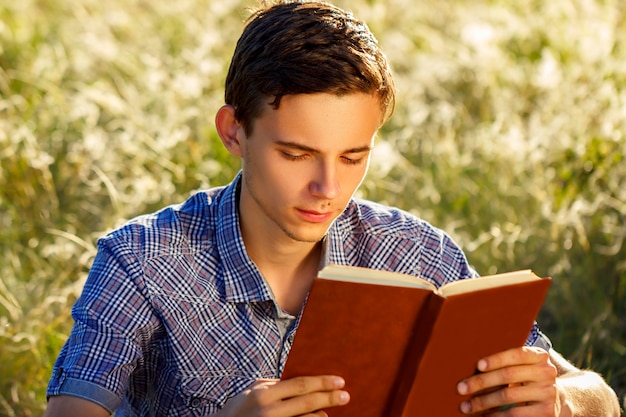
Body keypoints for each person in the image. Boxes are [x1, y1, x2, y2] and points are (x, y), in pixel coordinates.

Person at [44, 1, 620, 416]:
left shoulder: (418, 254)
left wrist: (562, 403)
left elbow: (600, 395)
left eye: (352, 157)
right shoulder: (140, 260)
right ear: (233, 131)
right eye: (297, 154)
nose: (327, 186)